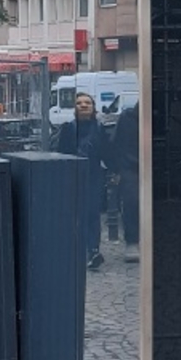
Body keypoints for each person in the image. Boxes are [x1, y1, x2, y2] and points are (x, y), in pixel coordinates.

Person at [56, 91, 109, 270]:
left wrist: (114, 172)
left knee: (92, 214)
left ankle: (93, 250)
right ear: (75, 108)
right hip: (72, 178)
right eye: (79, 103)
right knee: (74, 216)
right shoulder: (68, 129)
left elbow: (107, 154)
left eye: (87, 103)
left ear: (93, 107)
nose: (84, 105)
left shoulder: (100, 129)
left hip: (93, 178)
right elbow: (59, 154)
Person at [112, 100, 140, 262]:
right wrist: (117, 168)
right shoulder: (127, 118)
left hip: (139, 164)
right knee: (132, 201)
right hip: (131, 166)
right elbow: (117, 143)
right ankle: (132, 241)